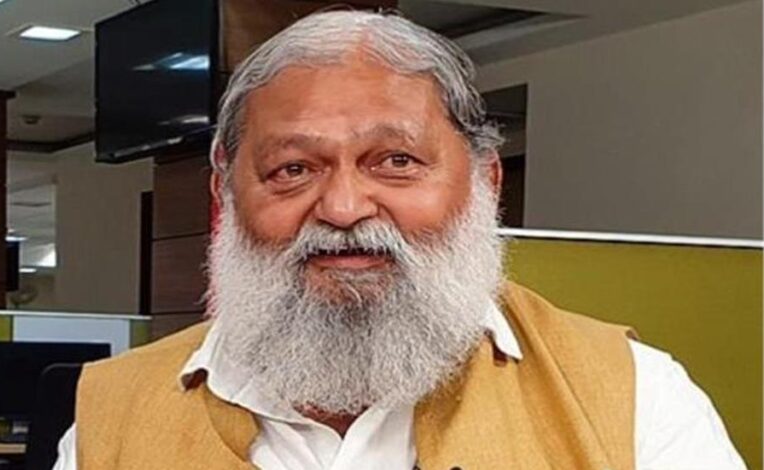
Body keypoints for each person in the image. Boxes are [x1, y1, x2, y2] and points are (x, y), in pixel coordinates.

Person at [54, 9, 746, 470]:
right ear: (225, 196)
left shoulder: (633, 397)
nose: (344, 208)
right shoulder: (113, 418)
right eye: (293, 169)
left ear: (484, 182)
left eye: (396, 161)